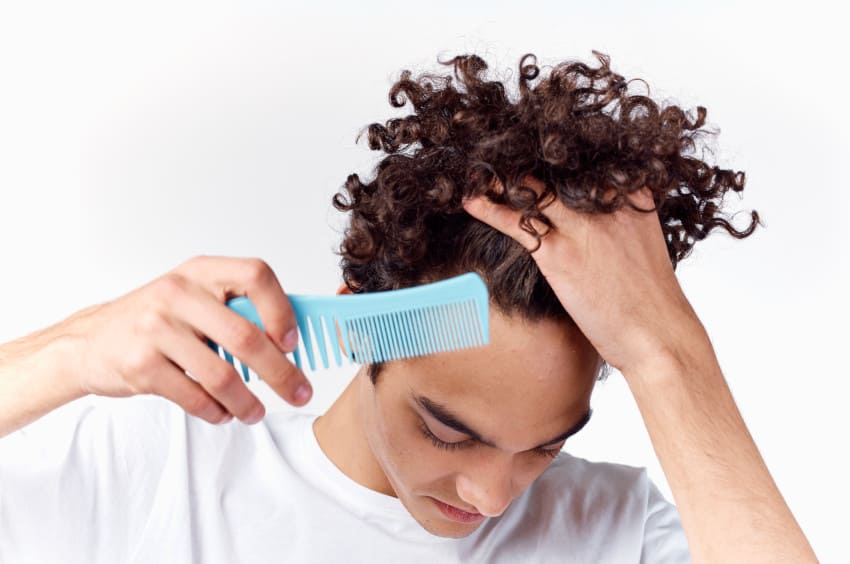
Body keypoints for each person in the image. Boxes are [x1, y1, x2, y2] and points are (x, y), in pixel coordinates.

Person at [0, 52, 817, 563]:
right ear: (363, 322)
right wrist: (64, 353)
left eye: (543, 447)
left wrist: (669, 357)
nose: (494, 497)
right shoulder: (159, 465)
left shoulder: (621, 533)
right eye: (448, 430)